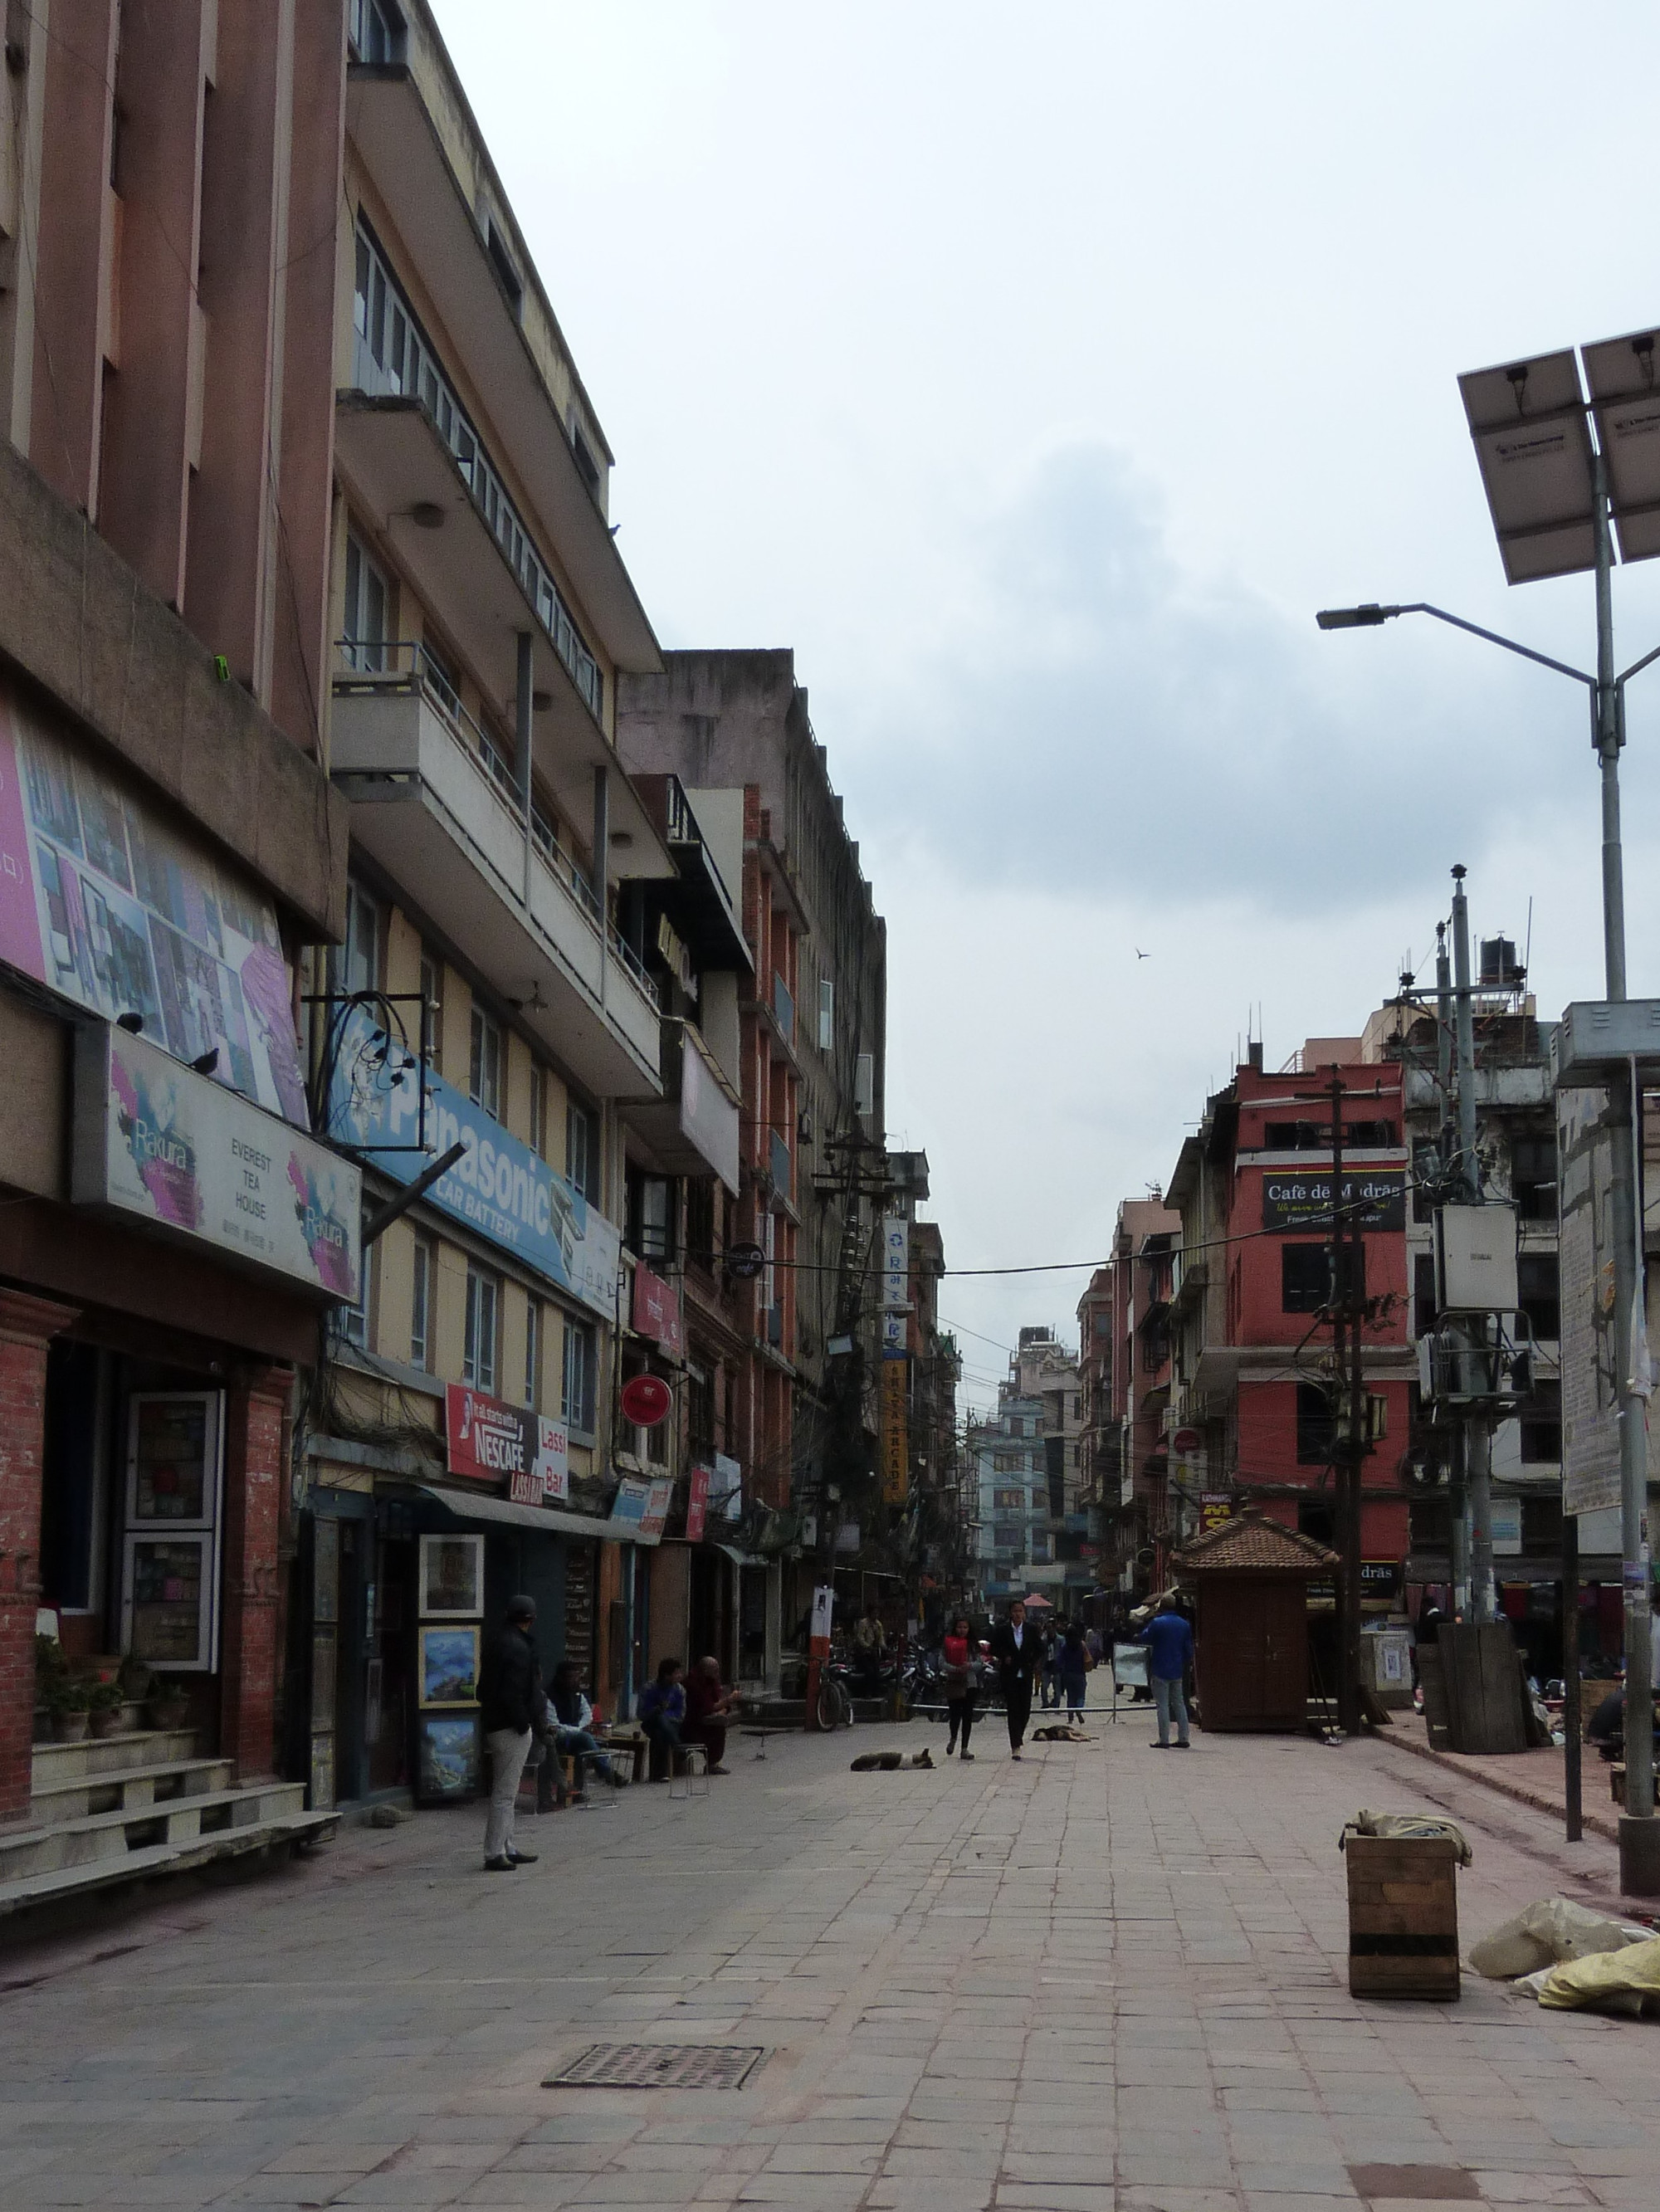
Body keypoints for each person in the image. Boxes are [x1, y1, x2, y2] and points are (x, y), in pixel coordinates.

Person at [477, 1594, 544, 1870]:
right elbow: (513, 1692)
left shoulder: (496, 1641)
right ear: (531, 1619)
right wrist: (524, 1723)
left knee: (508, 1789)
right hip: (510, 1726)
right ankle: (495, 1852)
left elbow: (485, 1688)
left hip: (495, 1722)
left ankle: (508, 1845)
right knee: (505, 1792)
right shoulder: (518, 1647)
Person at [548, 1660, 622, 1795]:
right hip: (557, 1735)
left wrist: (579, 1727)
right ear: (561, 1677)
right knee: (585, 1737)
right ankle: (607, 1772)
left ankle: (577, 1792)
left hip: (575, 1735)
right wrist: (577, 1730)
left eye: (577, 1677)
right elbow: (553, 1723)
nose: (575, 1680)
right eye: (571, 1677)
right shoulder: (550, 1696)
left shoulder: (578, 1695)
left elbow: (588, 1715)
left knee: (580, 1749)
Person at [990, 1598, 1043, 1758]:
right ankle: (1015, 1745)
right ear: (1010, 1613)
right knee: (1013, 1710)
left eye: (1020, 1611)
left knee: (1025, 1710)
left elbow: (1040, 1648)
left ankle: (1018, 1735)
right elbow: (993, 1647)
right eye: (1015, 1611)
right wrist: (1004, 1656)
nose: (1018, 1614)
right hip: (1010, 1674)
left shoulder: (1031, 1629)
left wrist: (1033, 1662)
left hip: (1026, 1673)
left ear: (1024, 1612)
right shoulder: (1002, 1630)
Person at [1139, 1597, 1194, 1749]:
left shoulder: (1157, 1623)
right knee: (1179, 1703)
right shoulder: (1184, 1624)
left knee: (1162, 1705)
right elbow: (1188, 1650)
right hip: (1177, 1669)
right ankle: (1183, 1737)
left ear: (1161, 1607)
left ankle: (1164, 1739)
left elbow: (1145, 1638)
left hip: (1159, 1668)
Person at [684, 1654, 738, 1775]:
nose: (717, 1673)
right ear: (705, 1670)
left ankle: (713, 1763)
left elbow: (717, 1701)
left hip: (708, 1719)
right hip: (692, 1723)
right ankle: (712, 1763)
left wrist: (722, 1710)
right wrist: (728, 1700)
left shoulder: (711, 1682)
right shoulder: (693, 1684)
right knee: (715, 1730)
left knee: (719, 1725)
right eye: (715, 1670)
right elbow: (707, 1706)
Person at [638, 1656, 686, 1780]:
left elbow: (680, 1715)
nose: (679, 1676)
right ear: (666, 1675)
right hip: (651, 1722)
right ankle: (678, 1746)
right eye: (676, 1674)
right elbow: (642, 1714)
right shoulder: (649, 1688)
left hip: (672, 1724)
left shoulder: (679, 1690)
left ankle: (659, 1774)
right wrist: (657, 1710)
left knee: (660, 1733)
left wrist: (664, 1716)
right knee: (659, 1720)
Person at [942, 1614, 978, 1760]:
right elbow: (941, 1662)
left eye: (965, 1627)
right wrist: (953, 1668)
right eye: (959, 1627)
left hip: (970, 1684)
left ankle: (965, 1748)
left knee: (968, 1717)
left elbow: (980, 1662)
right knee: (955, 1714)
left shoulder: (973, 1645)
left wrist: (969, 1665)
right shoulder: (948, 1643)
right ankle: (953, 1738)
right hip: (954, 1682)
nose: (962, 1630)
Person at [1059, 1621, 1091, 1721]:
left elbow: (1060, 1660)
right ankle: (1079, 1709)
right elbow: (1087, 1658)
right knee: (1081, 1694)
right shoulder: (1081, 1645)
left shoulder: (1065, 1646)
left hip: (1068, 1674)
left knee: (1070, 1696)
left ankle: (1070, 1716)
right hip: (1080, 1674)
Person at [853, 1603, 886, 1693]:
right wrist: (868, 1646)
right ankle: (866, 1692)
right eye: (874, 1613)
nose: (876, 1615)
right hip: (863, 1653)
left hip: (873, 1653)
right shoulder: (863, 1623)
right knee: (869, 1671)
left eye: (877, 1613)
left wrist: (884, 1647)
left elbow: (881, 1638)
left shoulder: (878, 1624)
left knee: (877, 1671)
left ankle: (876, 1691)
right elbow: (860, 1638)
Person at [1039, 1619, 1062, 1709]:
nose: (1049, 1630)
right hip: (1046, 1665)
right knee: (1044, 1686)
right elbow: (1041, 1653)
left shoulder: (1060, 1640)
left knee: (1057, 1687)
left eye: (1050, 1627)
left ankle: (1056, 1703)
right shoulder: (1044, 1640)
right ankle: (1045, 1703)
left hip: (1057, 1666)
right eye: (1047, 1628)